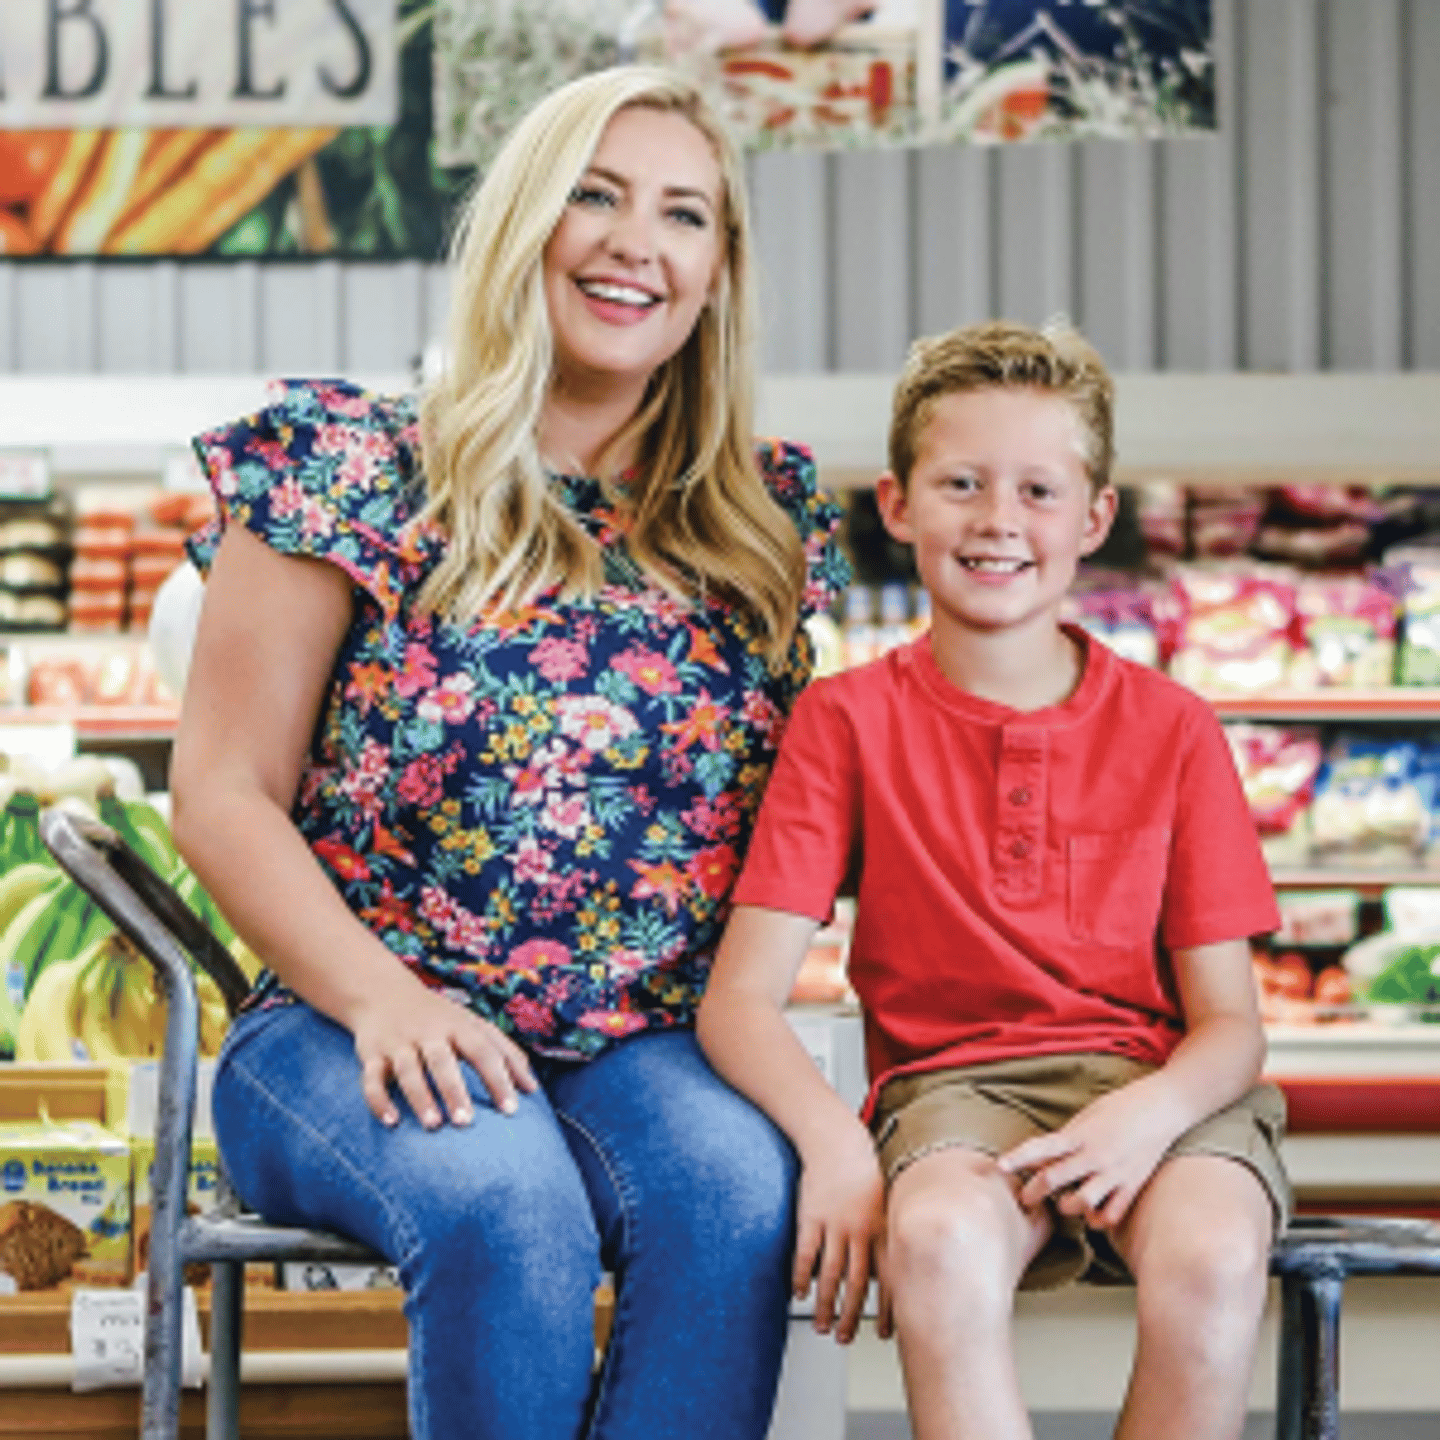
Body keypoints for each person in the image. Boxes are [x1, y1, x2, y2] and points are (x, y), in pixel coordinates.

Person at [169, 64, 848, 1440]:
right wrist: (384, 1002)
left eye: (682, 215)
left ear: (717, 274)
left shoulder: (752, 529)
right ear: (520, 225)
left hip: (639, 1048)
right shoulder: (351, 470)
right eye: (592, 196)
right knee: (504, 1198)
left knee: (738, 1195)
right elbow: (221, 793)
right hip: (342, 1023)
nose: (633, 245)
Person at [698, 319, 1290, 1440]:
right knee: (935, 1242)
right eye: (962, 483)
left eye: (1038, 489)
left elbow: (1230, 1030)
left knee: (1215, 1259)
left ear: (1096, 518)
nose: (998, 521)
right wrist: (836, 1146)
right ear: (899, 504)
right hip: (949, 1099)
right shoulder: (845, 722)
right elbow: (739, 999)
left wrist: (1142, 1116)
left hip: (1157, 1090)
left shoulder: (1174, 730)